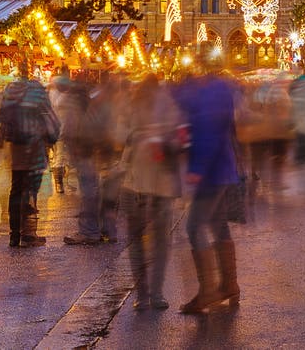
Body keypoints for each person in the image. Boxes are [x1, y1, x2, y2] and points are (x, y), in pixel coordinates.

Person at [175, 63, 241, 314]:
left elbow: (209, 133)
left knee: (194, 226)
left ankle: (208, 291)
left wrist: (198, 168)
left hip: (211, 173)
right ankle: (229, 284)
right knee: (218, 223)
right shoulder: (217, 90)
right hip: (222, 169)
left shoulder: (208, 95)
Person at [119, 77, 184, 311]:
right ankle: (156, 294)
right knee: (160, 241)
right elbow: (180, 141)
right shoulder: (169, 105)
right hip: (161, 185)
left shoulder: (131, 105)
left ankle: (142, 294)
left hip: (134, 183)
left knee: (136, 241)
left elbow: (118, 138)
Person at [0, 65, 59, 248]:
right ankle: (29, 234)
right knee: (31, 189)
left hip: (15, 145)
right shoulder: (37, 90)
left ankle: (14, 235)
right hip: (34, 144)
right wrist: (52, 137)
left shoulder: (10, 90)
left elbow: (1, 116)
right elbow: (50, 118)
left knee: (16, 188)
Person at [61, 78, 108, 245]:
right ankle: (96, 228)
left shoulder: (75, 103)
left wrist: (70, 141)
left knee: (88, 190)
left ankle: (88, 231)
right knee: (92, 189)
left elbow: (71, 127)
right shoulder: (90, 102)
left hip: (82, 150)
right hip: (91, 149)